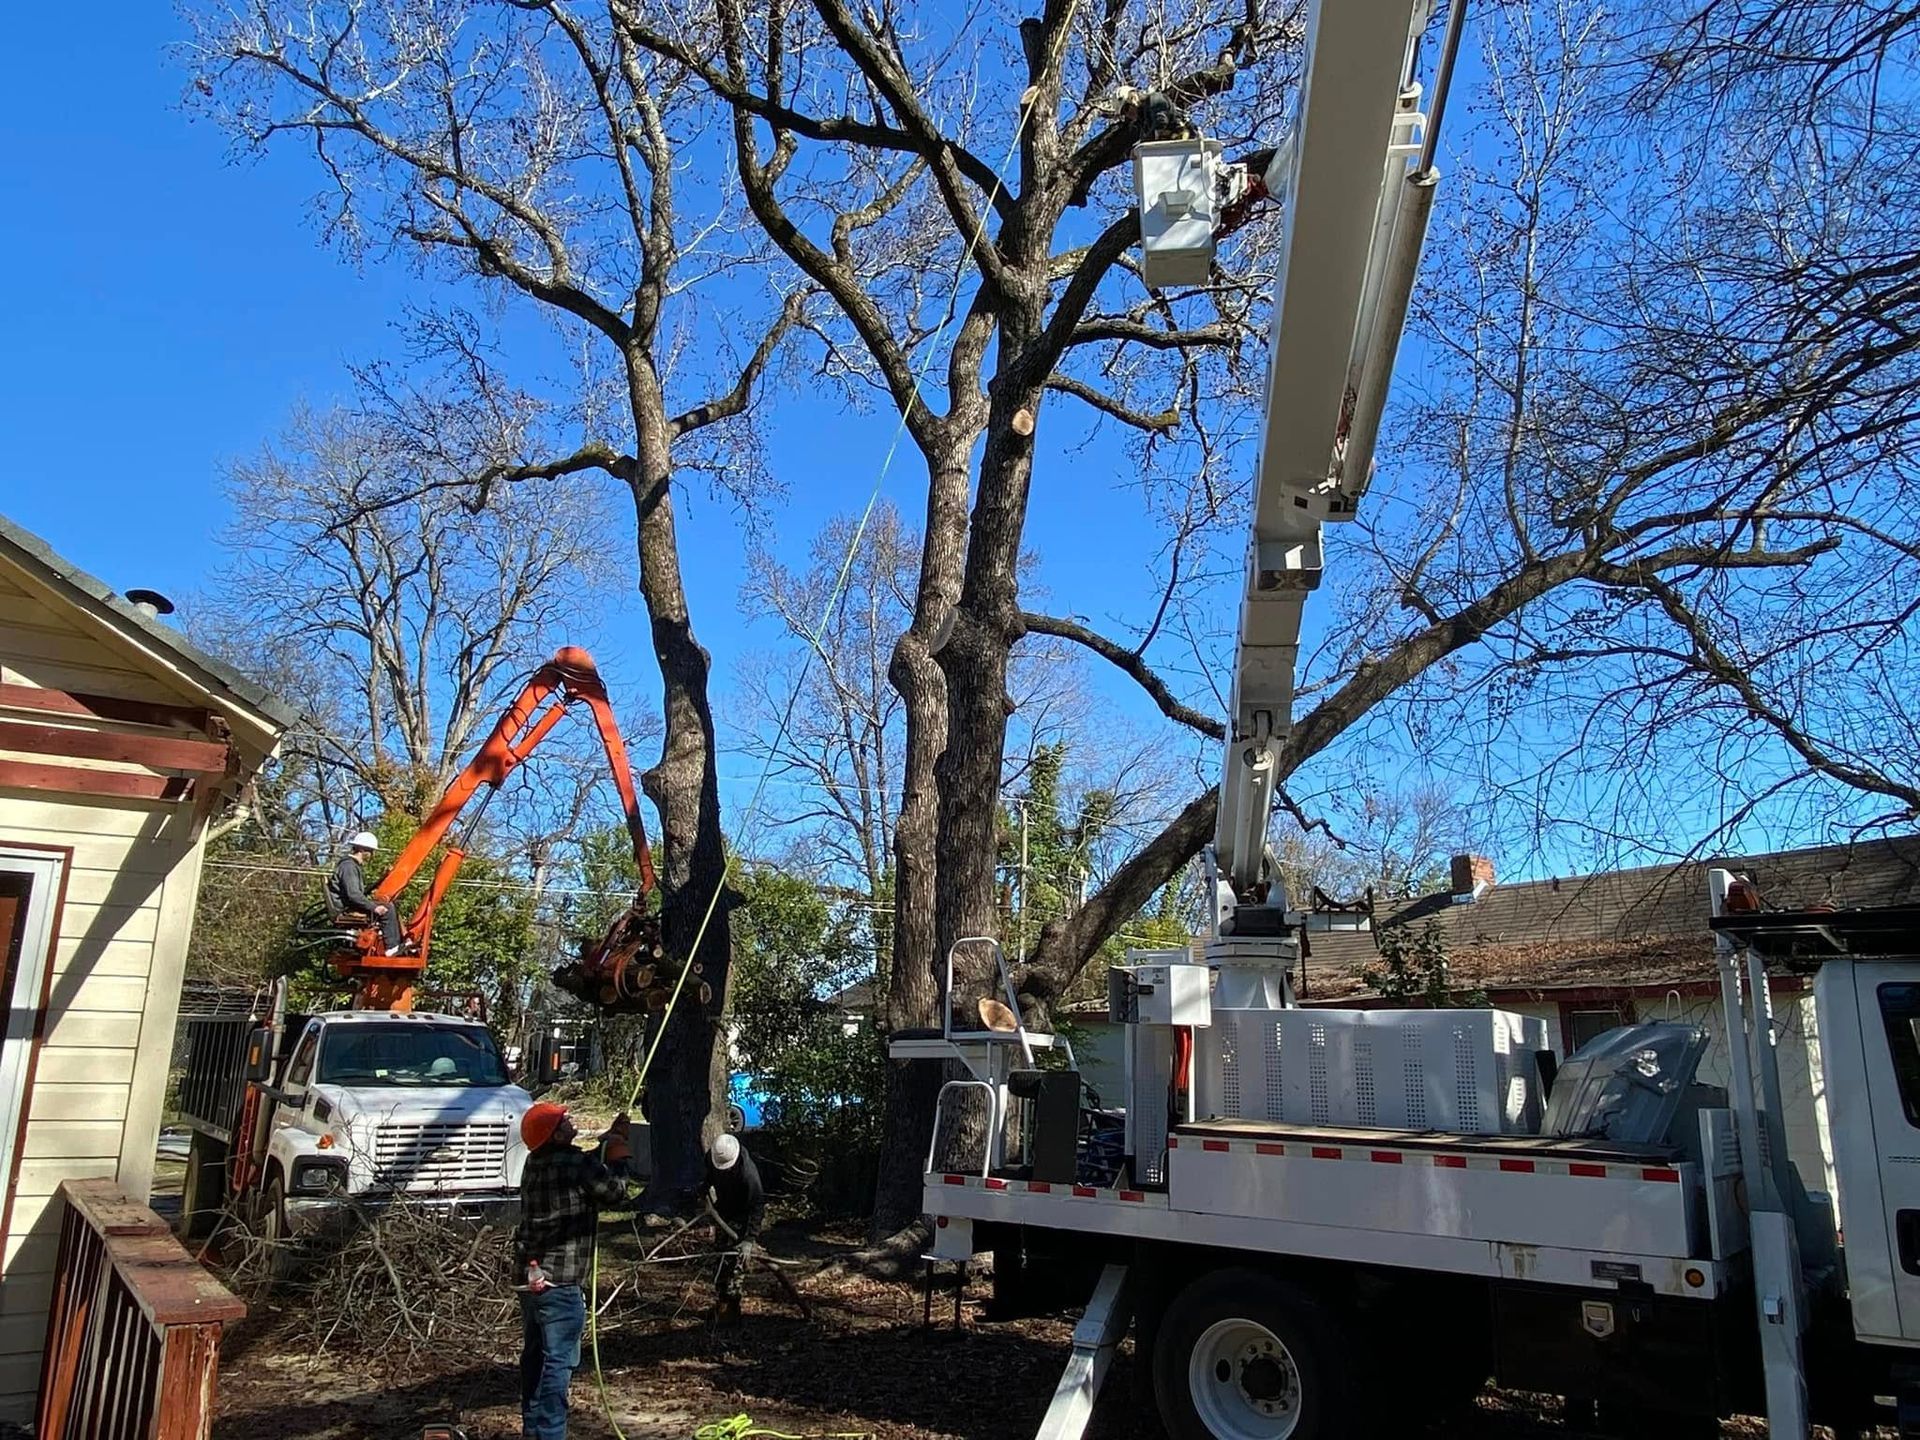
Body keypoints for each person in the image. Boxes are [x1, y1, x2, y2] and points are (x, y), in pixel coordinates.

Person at [513, 1103, 633, 1440]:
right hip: (560, 1282)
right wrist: (620, 1155)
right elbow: (614, 1192)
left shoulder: (534, 1162)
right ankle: (551, 1432)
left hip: (529, 1278)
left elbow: (582, 1168)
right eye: (561, 1120)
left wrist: (606, 1143)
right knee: (558, 1362)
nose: (568, 1120)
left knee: (535, 1358)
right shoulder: (575, 1165)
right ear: (554, 1133)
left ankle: (534, 1430)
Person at [704, 1132, 765, 1324]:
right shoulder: (713, 1157)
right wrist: (701, 1191)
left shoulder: (748, 1174)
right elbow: (707, 1177)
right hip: (723, 1213)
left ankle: (732, 1308)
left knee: (735, 1264)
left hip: (743, 1218)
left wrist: (749, 1239)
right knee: (720, 1260)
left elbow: (757, 1207)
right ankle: (722, 1300)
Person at [326, 831, 403, 956]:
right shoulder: (349, 866)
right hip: (346, 908)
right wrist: (374, 907)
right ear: (362, 849)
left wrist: (381, 879)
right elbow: (353, 895)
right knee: (387, 908)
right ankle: (391, 947)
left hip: (347, 905)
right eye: (370, 851)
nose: (372, 854)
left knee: (387, 905)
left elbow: (356, 892)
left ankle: (391, 945)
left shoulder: (350, 866)